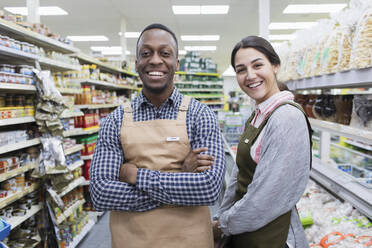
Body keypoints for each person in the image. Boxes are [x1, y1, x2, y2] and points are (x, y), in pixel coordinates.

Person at [89, 23, 225, 248]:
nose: (155, 60)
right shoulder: (115, 120)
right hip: (132, 242)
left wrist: (136, 176)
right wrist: (181, 176)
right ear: (136, 64)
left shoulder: (201, 115)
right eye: (146, 53)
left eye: (164, 53)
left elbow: (209, 188)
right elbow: (101, 193)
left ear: (176, 64)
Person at [213, 36, 312, 248]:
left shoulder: (286, 117)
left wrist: (224, 224)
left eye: (258, 65)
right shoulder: (258, 114)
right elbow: (239, 175)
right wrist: (223, 217)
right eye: (241, 70)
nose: (250, 75)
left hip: (270, 237)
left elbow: (268, 195)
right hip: (244, 231)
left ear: (275, 66)